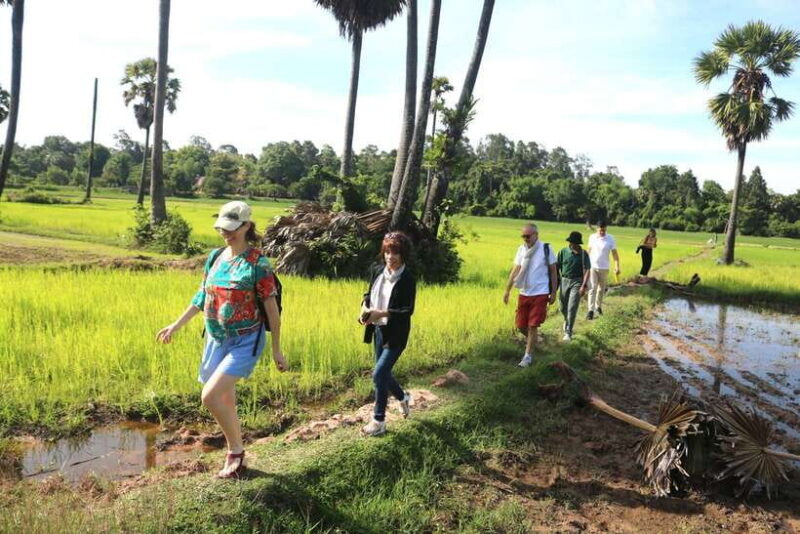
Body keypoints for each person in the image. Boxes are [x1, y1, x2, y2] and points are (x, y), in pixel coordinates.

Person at [156, 200, 288, 478]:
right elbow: (202, 296)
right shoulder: (216, 257)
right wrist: (176, 325)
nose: (226, 234)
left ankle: (236, 452)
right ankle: (237, 453)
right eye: (222, 229)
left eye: (232, 229)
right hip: (215, 339)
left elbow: (272, 313)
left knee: (210, 396)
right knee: (224, 399)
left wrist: (276, 349)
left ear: (247, 226)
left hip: (245, 341)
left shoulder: (258, 264)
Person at [359, 232, 416, 437]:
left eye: (395, 253)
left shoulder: (407, 279)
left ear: (403, 255)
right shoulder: (377, 271)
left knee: (378, 374)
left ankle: (378, 420)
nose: (390, 257)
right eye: (387, 252)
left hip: (396, 335)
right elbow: (368, 295)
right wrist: (364, 312)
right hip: (378, 330)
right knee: (383, 374)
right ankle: (403, 397)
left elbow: (407, 310)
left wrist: (381, 313)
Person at [503, 223, 558, 367]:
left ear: (536, 235)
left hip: (540, 292)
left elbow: (553, 271)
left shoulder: (546, 248)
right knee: (521, 325)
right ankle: (534, 341)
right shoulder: (521, 250)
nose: (525, 239)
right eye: (523, 236)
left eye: (528, 236)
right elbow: (515, 270)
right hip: (524, 292)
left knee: (533, 325)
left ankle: (527, 357)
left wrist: (553, 292)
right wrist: (507, 290)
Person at [556, 231, 591, 341]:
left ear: (578, 243)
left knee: (572, 307)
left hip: (577, 282)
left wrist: (583, 286)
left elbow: (587, 270)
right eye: (571, 242)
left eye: (575, 243)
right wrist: (556, 282)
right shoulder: (563, 252)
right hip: (564, 281)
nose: (572, 245)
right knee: (562, 307)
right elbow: (557, 268)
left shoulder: (583, 254)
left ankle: (568, 332)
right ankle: (567, 320)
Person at [586, 220, 620, 320]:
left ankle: (598, 307)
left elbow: (615, 254)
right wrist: (585, 265)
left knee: (601, 289)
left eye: (604, 230)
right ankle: (590, 310)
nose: (602, 232)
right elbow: (589, 251)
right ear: (597, 229)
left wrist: (617, 266)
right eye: (601, 230)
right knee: (592, 288)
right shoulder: (592, 237)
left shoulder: (610, 238)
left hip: (604, 268)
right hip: (593, 266)